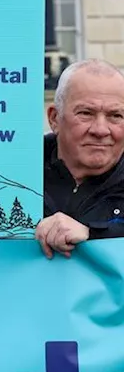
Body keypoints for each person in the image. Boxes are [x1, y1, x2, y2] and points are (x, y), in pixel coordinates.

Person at [37, 59, 124, 258]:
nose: (101, 130)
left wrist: (92, 235)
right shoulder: (12, 174)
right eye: (86, 113)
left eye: (115, 116)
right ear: (54, 118)